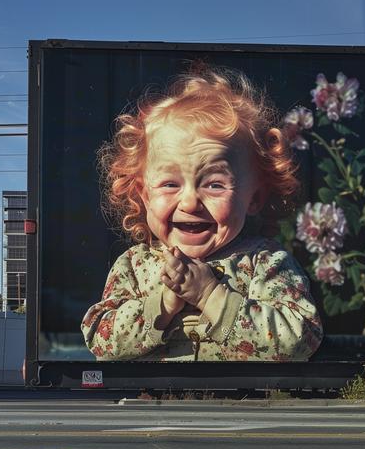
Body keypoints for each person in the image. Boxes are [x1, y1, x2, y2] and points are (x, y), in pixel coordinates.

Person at [81, 67, 323, 361]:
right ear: (145, 196)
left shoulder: (266, 262)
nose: (190, 203)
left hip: (242, 405)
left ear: (255, 198)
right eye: (170, 184)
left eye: (214, 184)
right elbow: (101, 342)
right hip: (152, 406)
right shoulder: (134, 266)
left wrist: (211, 295)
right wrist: (164, 304)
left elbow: (299, 340)